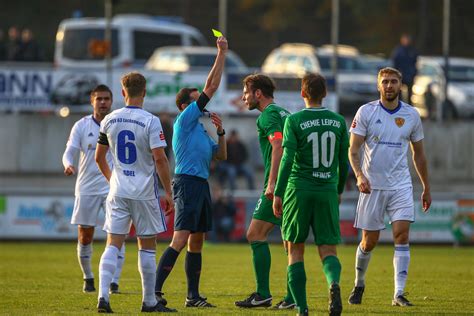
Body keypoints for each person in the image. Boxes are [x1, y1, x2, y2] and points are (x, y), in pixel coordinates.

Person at [154, 36, 228, 310]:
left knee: (197, 241)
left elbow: (220, 156)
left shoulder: (200, 128)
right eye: (197, 101)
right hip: (186, 183)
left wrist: (220, 133)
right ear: (185, 106)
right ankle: (155, 292)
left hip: (201, 184)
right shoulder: (184, 121)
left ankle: (192, 297)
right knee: (181, 239)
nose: (203, 104)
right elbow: (212, 86)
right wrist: (221, 54)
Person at [347, 67, 431, 307]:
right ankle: (359, 283)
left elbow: (419, 155)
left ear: (400, 85)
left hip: (401, 185)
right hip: (372, 186)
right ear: (378, 86)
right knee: (369, 242)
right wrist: (360, 176)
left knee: (401, 235)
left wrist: (426, 186)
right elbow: (353, 150)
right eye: (385, 82)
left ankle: (399, 293)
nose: (389, 85)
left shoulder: (412, 115)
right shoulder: (366, 112)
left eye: (393, 81)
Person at [95, 72, 175, 313]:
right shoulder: (151, 121)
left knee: (113, 244)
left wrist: (113, 180)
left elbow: (99, 158)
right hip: (143, 192)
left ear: (122, 92)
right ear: (145, 92)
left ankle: (102, 298)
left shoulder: (109, 119)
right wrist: (169, 192)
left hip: (118, 191)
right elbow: (160, 159)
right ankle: (149, 301)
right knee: (147, 246)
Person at [273, 73, 349, 316]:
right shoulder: (338, 121)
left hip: (299, 189)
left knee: (295, 249)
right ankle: (333, 284)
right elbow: (343, 163)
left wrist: (278, 193)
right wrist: (338, 189)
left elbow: (286, 159)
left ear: (303, 93)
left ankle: (302, 308)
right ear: (324, 93)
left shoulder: (293, 121)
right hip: (327, 190)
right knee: (328, 249)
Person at [235, 74, 294, 309]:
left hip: (281, 185)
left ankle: (262, 294)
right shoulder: (284, 113)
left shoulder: (268, 115)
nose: (243, 97)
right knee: (290, 241)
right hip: (295, 183)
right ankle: (291, 297)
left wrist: (272, 183)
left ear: (258, 93)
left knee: (255, 234)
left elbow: (278, 145)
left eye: (246, 92)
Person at [62, 84, 125, 294]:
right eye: (99, 99)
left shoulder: (117, 123)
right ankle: (88, 277)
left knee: (117, 233)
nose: (103, 102)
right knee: (85, 236)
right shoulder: (81, 126)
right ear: (92, 101)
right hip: (86, 187)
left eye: (107, 98)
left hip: (113, 186)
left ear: (112, 101)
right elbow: (69, 150)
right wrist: (68, 164)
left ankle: (114, 281)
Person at [391, 34, 418, 103]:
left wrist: (413, 72)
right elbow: (395, 62)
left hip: (409, 75)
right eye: (405, 39)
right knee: (399, 93)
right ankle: (399, 106)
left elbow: (416, 62)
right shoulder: (398, 50)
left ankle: (409, 107)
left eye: (407, 39)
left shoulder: (412, 50)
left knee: (409, 94)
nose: (406, 41)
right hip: (400, 75)